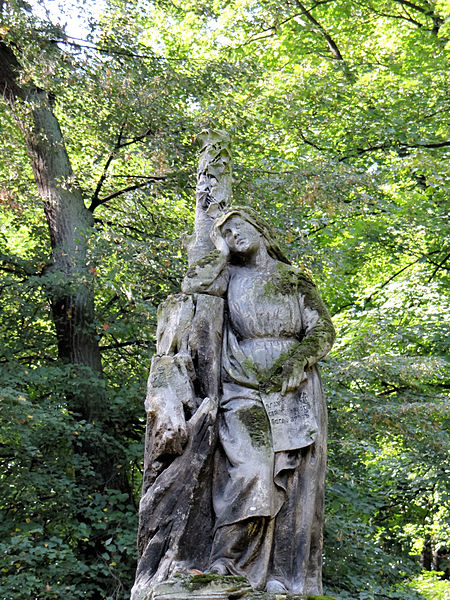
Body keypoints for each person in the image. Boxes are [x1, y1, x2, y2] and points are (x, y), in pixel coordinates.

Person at [182, 207, 335, 595]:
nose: (234, 236)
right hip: (241, 384)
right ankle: (226, 564)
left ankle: (285, 578)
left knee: (297, 483)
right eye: (227, 233)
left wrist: (298, 360)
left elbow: (323, 330)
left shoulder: (293, 279)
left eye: (239, 227)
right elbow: (194, 289)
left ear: (260, 227)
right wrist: (217, 250)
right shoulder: (227, 276)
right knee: (250, 469)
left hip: (294, 388)